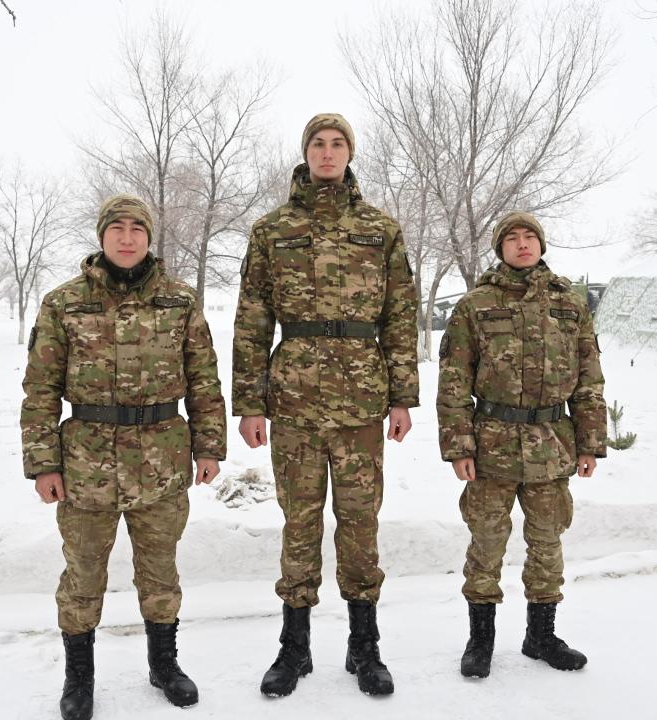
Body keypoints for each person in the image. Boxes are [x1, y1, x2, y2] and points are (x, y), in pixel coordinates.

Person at [232, 113, 419, 697]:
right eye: (319, 143)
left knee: (360, 523)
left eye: (338, 144)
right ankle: (295, 648)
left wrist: (403, 397)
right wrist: (250, 402)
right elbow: (252, 319)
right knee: (300, 523)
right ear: (305, 152)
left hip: (362, 401)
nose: (328, 152)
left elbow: (400, 317)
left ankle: (365, 647)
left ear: (350, 153)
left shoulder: (380, 229)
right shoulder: (272, 229)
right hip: (294, 400)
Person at [21, 195, 226, 718]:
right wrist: (43, 463)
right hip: (86, 466)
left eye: (138, 228)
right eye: (118, 228)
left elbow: (204, 380)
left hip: (162, 462)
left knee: (160, 572)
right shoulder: (64, 303)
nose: (128, 237)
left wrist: (209, 446)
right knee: (83, 574)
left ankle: (164, 664)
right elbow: (40, 388)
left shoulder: (180, 300)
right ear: (102, 235)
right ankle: (79, 678)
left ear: (150, 237)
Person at [436, 211, 607, 678]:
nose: (522, 243)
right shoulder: (475, 305)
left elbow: (589, 378)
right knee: (487, 543)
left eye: (530, 236)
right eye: (511, 237)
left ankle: (541, 636)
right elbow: (454, 381)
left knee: (548, 543)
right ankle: (481, 640)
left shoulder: (569, 304)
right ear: (500, 248)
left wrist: (590, 442)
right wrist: (459, 446)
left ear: (541, 244)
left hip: (552, 445)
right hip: (492, 445)